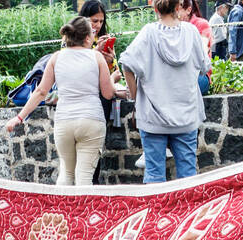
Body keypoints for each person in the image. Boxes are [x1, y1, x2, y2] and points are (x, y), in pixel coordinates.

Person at [6, 16, 117, 186]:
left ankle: (62, 212)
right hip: (91, 120)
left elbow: (41, 91)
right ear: (88, 38)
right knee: (84, 178)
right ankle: (82, 213)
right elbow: (108, 93)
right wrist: (114, 78)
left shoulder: (56, 58)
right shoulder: (97, 58)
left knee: (66, 174)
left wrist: (19, 117)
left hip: (64, 121)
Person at [121, 0, 209, 183]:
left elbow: (127, 65)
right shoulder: (192, 32)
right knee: (188, 176)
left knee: (154, 175)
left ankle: (155, 212)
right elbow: (204, 67)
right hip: (186, 114)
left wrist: (136, 96)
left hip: (153, 116)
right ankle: (188, 211)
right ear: (178, 7)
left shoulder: (148, 33)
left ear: (155, 9)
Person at [79, 0, 120, 185]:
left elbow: (115, 75)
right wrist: (95, 52)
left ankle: (92, 182)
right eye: (94, 21)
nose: (97, 25)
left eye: (101, 21)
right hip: (81, 98)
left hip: (101, 98)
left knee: (95, 145)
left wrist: (110, 60)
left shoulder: (104, 40)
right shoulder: (73, 39)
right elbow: (75, 68)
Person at [179, 0, 215, 94]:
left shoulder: (202, 24)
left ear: (188, 10)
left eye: (178, 10)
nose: (175, 14)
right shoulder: (174, 26)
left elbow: (202, 57)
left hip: (200, 75)